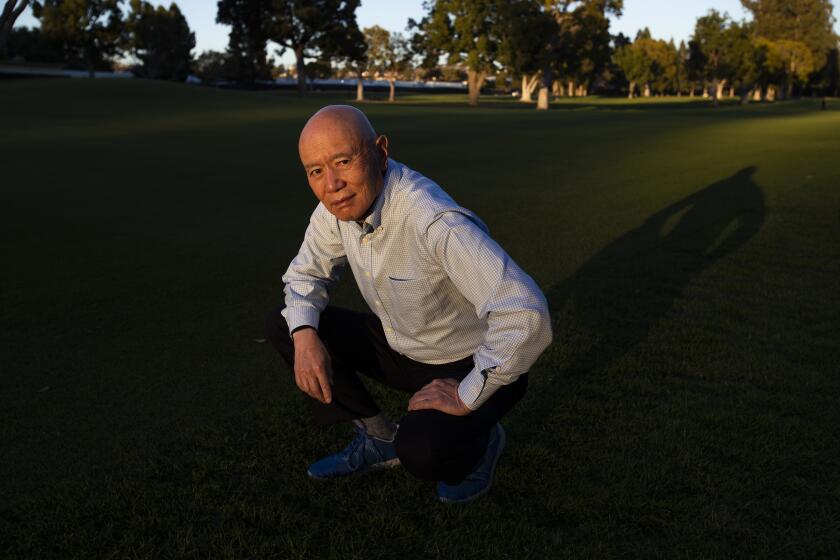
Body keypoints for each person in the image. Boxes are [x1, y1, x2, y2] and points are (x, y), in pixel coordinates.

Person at [266, 105, 552, 504]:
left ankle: (482, 441)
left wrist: (466, 394)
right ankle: (378, 438)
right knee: (290, 323)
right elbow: (303, 276)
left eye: (343, 161)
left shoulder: (431, 219)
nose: (332, 184)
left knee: (422, 451)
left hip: (468, 359)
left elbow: (526, 311)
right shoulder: (337, 208)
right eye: (316, 171)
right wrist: (305, 336)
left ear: (380, 151)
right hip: (405, 350)